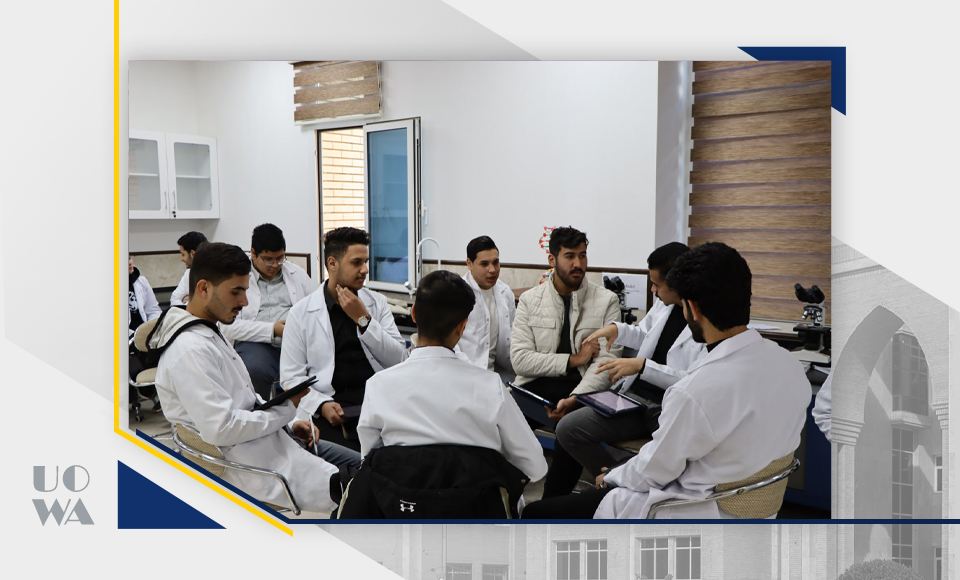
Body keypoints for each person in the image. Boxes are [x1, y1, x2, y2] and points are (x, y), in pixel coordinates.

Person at [523, 242, 810, 519]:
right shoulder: (790, 367)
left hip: (689, 508)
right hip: (753, 508)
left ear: (692, 308)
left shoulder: (695, 393)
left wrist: (612, 476)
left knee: (536, 514)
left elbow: (654, 470)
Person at [151, 242, 342, 513]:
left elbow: (247, 400)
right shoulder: (190, 350)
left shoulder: (208, 332)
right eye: (236, 291)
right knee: (365, 485)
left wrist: (290, 424)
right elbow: (222, 428)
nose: (244, 301)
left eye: (245, 290)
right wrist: (286, 411)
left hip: (272, 445)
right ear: (203, 288)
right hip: (257, 469)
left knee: (368, 467)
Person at [358, 270, 547, 483]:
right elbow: (535, 467)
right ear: (462, 326)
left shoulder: (378, 386)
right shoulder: (491, 387)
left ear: (413, 314)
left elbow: (370, 462)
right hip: (475, 502)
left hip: (401, 501)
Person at [554, 242, 706, 482]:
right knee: (568, 428)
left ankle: (626, 482)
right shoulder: (664, 305)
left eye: (657, 285)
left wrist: (642, 367)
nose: (653, 290)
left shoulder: (706, 321)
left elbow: (695, 382)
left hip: (668, 407)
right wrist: (618, 330)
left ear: (677, 283)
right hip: (635, 398)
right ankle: (614, 483)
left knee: (672, 459)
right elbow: (646, 334)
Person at [510, 226, 621, 497]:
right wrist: (575, 359)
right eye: (570, 256)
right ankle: (506, 497)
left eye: (582, 255)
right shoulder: (530, 300)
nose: (578, 264)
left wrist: (574, 399)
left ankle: (551, 505)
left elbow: (607, 363)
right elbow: (520, 361)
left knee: (570, 429)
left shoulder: (606, 300)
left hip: (582, 391)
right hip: (536, 389)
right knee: (502, 427)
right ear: (552, 260)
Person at [280, 227, 407, 452]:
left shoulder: (376, 304)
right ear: (332, 263)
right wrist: (321, 404)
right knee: (344, 464)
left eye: (365, 262)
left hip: (378, 406)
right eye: (356, 262)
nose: (365, 269)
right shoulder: (301, 313)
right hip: (331, 410)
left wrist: (363, 319)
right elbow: (291, 378)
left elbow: (399, 360)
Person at [222, 223, 315, 399]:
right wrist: (273, 330)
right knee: (255, 369)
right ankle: (260, 414)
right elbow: (228, 327)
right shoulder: (237, 278)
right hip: (256, 344)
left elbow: (316, 308)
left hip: (297, 342)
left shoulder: (296, 274)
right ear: (253, 253)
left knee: (323, 364)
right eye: (268, 259)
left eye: (280, 258)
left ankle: (309, 413)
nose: (275, 265)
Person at [458, 235, 516, 381]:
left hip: (498, 375)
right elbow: (450, 345)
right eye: (484, 264)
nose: (492, 270)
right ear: (469, 264)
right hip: (464, 374)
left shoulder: (505, 293)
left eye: (496, 262)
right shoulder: (456, 294)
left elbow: (512, 337)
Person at [169, 231, 208, 305]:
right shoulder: (189, 273)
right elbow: (174, 299)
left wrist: (187, 300)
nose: (181, 258)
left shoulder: (216, 273)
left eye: (183, 254)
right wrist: (188, 302)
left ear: (193, 254)